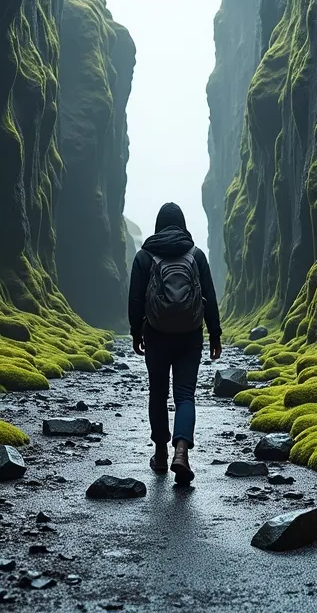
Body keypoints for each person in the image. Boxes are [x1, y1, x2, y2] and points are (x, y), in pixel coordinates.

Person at [128, 202, 222, 484]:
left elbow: (135, 298)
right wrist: (215, 334)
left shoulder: (144, 256)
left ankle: (160, 454)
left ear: (158, 225)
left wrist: (136, 332)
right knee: (185, 395)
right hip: (190, 335)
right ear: (182, 224)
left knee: (157, 393)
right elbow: (209, 297)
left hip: (156, 334)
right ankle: (181, 451)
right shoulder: (196, 255)